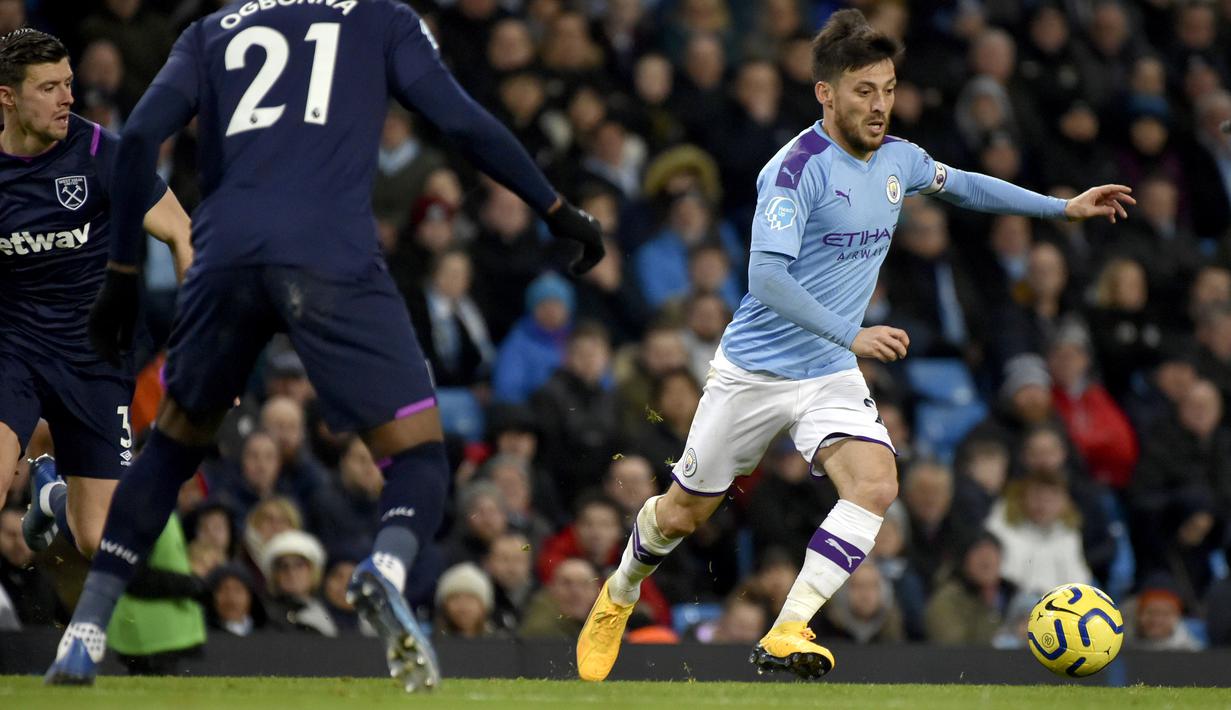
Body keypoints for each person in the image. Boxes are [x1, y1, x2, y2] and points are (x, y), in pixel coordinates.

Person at [46, 0, 603, 691]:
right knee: (420, 456)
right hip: (328, 256)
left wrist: (123, 274)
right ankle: (387, 568)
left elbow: (137, 141)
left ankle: (84, 632)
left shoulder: (210, 29)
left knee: (172, 448)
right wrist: (554, 207)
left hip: (224, 257)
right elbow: (460, 120)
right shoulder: (379, 19)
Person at [576, 8, 1134, 683]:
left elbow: (962, 186)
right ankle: (620, 591)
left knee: (876, 484)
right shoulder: (793, 170)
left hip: (828, 371)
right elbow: (765, 277)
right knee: (680, 515)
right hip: (753, 371)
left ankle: (787, 628)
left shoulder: (899, 157)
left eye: (889, 88)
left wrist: (1060, 206)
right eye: (864, 91)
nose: (879, 105)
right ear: (826, 93)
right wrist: (854, 331)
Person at [0, 29, 191, 565]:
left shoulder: (103, 152)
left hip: (95, 356)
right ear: (7, 97)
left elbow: (182, 233)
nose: (67, 99)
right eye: (48, 88)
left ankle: (49, 491)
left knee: (97, 538)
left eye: (68, 84)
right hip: (12, 347)